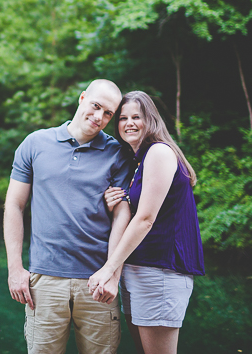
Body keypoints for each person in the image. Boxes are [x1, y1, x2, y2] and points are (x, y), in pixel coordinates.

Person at [4, 79, 135, 354]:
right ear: (82, 97)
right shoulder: (35, 143)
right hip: (45, 280)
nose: (99, 117)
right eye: (96, 106)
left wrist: (112, 273)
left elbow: (122, 215)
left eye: (108, 113)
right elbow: (14, 206)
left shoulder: (117, 153)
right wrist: (15, 269)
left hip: (97, 281)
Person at [88, 91, 204, 354]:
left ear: (150, 120)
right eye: (123, 117)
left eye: (136, 117)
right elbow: (140, 211)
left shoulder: (159, 152)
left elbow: (146, 219)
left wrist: (108, 270)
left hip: (161, 272)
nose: (129, 123)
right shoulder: (140, 161)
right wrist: (117, 201)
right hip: (141, 271)